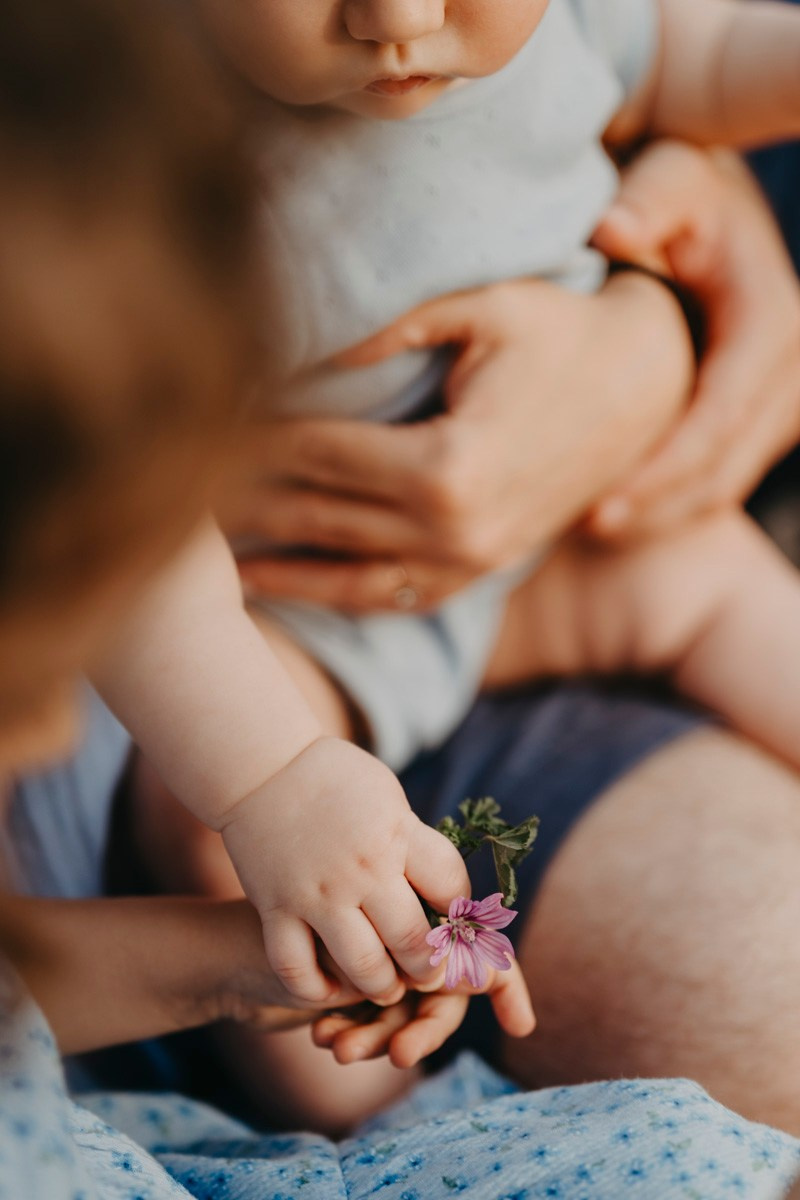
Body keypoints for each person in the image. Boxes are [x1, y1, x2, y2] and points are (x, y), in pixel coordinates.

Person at [6, 3, 800, 1196]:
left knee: (725, 585)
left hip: (568, 534)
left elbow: (705, 62)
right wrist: (276, 782)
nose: (395, 17)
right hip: (291, 609)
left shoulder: (570, 24)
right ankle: (385, 1105)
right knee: (217, 814)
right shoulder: (142, 130)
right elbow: (146, 555)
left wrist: (657, 314)